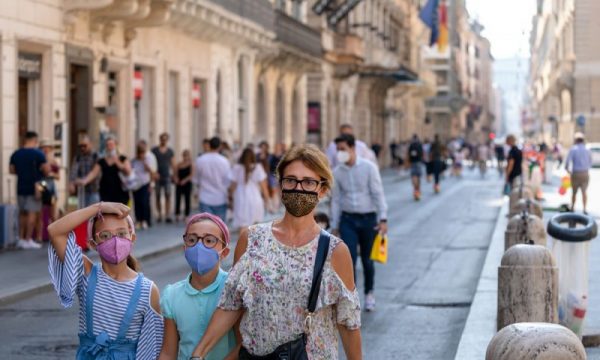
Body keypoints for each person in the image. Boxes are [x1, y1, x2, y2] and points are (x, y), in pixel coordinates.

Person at [191, 144, 362, 359]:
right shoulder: (252, 239)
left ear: (323, 189)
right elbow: (231, 304)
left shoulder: (335, 251)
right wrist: (199, 353)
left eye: (308, 182)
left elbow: (349, 323)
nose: (298, 188)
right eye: (290, 180)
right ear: (280, 185)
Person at [47, 202, 163, 359]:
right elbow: (55, 232)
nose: (115, 241)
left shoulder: (148, 290)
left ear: (132, 238)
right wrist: (98, 207)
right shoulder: (86, 274)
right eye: (105, 236)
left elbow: (153, 346)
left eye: (121, 234)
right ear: (93, 244)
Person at [159, 213, 237, 360]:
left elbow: (243, 345)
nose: (199, 246)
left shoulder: (233, 287)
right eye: (192, 240)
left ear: (224, 252)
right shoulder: (172, 295)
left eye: (209, 240)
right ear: (185, 248)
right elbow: (168, 352)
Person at [331, 134, 388, 312]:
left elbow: (378, 193)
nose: (340, 153)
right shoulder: (337, 172)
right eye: (338, 150)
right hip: (348, 219)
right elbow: (336, 200)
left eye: (343, 149)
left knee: (367, 260)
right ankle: (351, 298)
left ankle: (369, 293)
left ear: (352, 148)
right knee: (349, 260)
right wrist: (334, 225)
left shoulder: (369, 168)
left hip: (368, 219)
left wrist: (383, 218)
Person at [9, 131, 48, 249]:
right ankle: (28, 239)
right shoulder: (38, 153)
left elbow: (11, 170)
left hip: (20, 186)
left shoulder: (16, 153)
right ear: (34, 140)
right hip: (34, 187)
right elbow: (46, 170)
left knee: (22, 213)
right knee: (32, 213)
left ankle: (20, 239)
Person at [77, 136, 132, 205]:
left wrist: (117, 162)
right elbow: (93, 173)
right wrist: (84, 181)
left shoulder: (123, 158)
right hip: (106, 191)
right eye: (107, 145)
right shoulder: (102, 160)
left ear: (115, 145)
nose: (109, 147)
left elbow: (128, 171)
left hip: (120, 191)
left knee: (120, 213)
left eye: (111, 144)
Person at [229, 148, 270, 230]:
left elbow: (232, 187)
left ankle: (243, 243)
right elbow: (264, 187)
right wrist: (267, 200)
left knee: (242, 227)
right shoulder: (258, 167)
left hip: (240, 199)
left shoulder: (237, 168)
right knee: (255, 227)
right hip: (255, 199)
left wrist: (230, 198)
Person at [193, 137, 231, 221]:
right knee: (220, 228)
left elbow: (196, 179)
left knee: (207, 228)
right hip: (221, 197)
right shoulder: (224, 161)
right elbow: (228, 181)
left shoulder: (200, 160)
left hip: (205, 197)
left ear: (209, 145)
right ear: (220, 146)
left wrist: (196, 192)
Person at [69, 133, 100, 207]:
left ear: (90, 144)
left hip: (94, 191)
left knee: (93, 214)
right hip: (82, 191)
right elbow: (74, 170)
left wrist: (84, 180)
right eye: (81, 146)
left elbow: (94, 172)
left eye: (85, 146)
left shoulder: (96, 156)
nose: (82, 148)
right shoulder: (78, 157)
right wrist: (71, 183)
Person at [131, 141, 156, 230]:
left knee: (144, 202)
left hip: (145, 183)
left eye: (143, 152)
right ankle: (138, 220)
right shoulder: (134, 160)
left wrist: (151, 185)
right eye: (140, 152)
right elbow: (131, 171)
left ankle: (145, 220)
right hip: (136, 184)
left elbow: (152, 172)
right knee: (137, 202)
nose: (141, 154)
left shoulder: (148, 159)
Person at [565, 132, 592, 214]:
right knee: (584, 192)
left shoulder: (573, 149)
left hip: (575, 173)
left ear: (576, 140)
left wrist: (567, 170)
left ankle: (573, 207)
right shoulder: (587, 149)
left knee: (574, 192)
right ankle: (584, 209)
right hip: (585, 173)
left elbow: (567, 161)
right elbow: (590, 162)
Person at [39, 139, 60, 242]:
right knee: (40, 212)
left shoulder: (53, 161)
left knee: (53, 213)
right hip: (42, 187)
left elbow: (58, 176)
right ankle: (41, 235)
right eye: (43, 147)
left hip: (51, 188)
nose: (45, 149)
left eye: (47, 147)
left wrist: (52, 174)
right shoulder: (39, 160)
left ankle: (55, 235)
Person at [152, 133, 176, 223]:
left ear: (167, 140)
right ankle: (159, 214)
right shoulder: (154, 150)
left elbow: (173, 163)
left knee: (168, 195)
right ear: (160, 139)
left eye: (165, 139)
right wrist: (154, 173)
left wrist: (174, 174)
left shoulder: (170, 151)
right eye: (162, 139)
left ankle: (167, 215)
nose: (163, 141)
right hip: (157, 176)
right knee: (157, 196)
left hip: (167, 176)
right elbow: (151, 162)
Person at [175, 149, 194, 222]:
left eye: (187, 156)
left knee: (187, 199)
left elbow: (191, 174)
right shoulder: (179, 164)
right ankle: (177, 214)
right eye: (184, 156)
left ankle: (186, 215)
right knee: (178, 198)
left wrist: (185, 180)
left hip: (187, 184)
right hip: (179, 183)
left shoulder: (191, 164)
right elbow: (175, 174)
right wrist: (176, 179)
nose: (185, 157)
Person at [407, 134, 424, 200]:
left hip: (413, 163)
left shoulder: (411, 145)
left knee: (414, 177)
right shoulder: (420, 145)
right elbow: (422, 154)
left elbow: (408, 155)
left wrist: (408, 163)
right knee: (418, 177)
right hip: (419, 163)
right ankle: (418, 190)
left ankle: (415, 190)